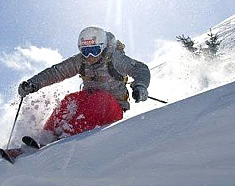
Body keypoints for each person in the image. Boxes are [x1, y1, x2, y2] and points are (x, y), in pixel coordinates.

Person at [18, 26, 150, 145]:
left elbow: (141, 69)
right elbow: (56, 72)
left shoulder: (115, 58)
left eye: (94, 50)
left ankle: (64, 139)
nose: (90, 57)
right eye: (86, 52)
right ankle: (46, 137)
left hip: (112, 107)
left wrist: (140, 86)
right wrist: (33, 83)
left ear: (103, 47)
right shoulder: (81, 60)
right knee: (70, 100)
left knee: (99, 99)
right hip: (90, 100)